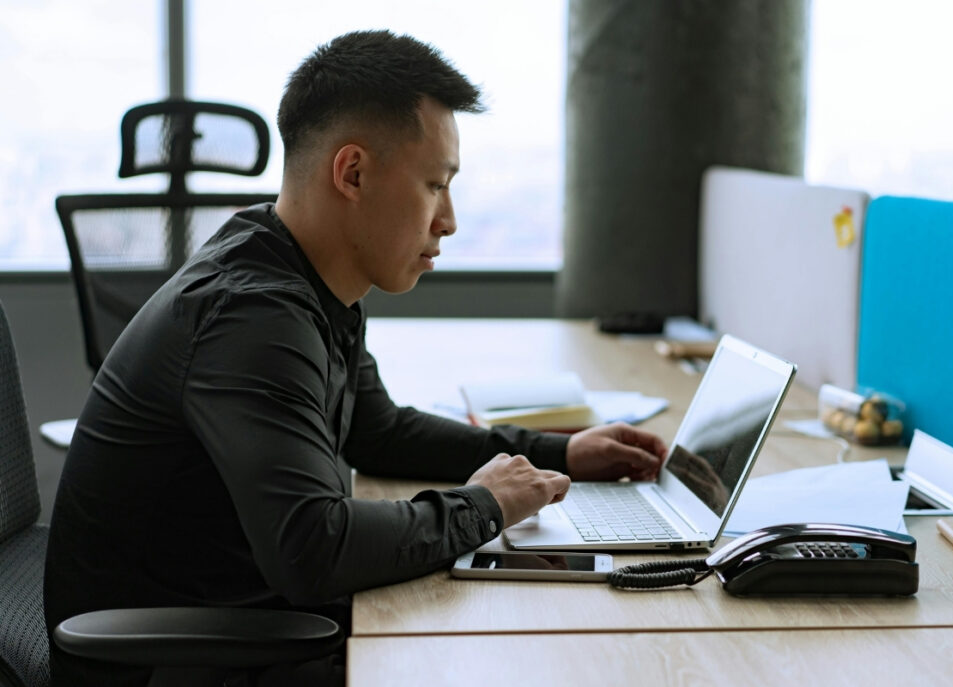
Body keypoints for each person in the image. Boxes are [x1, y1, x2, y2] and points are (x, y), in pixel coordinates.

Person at [44, 30, 667, 686]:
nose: (448, 219)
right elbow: (315, 547)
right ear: (353, 173)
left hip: (233, 614)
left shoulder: (305, 276)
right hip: (172, 659)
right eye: (435, 185)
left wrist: (559, 453)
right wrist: (485, 504)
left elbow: (379, 429)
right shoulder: (255, 315)